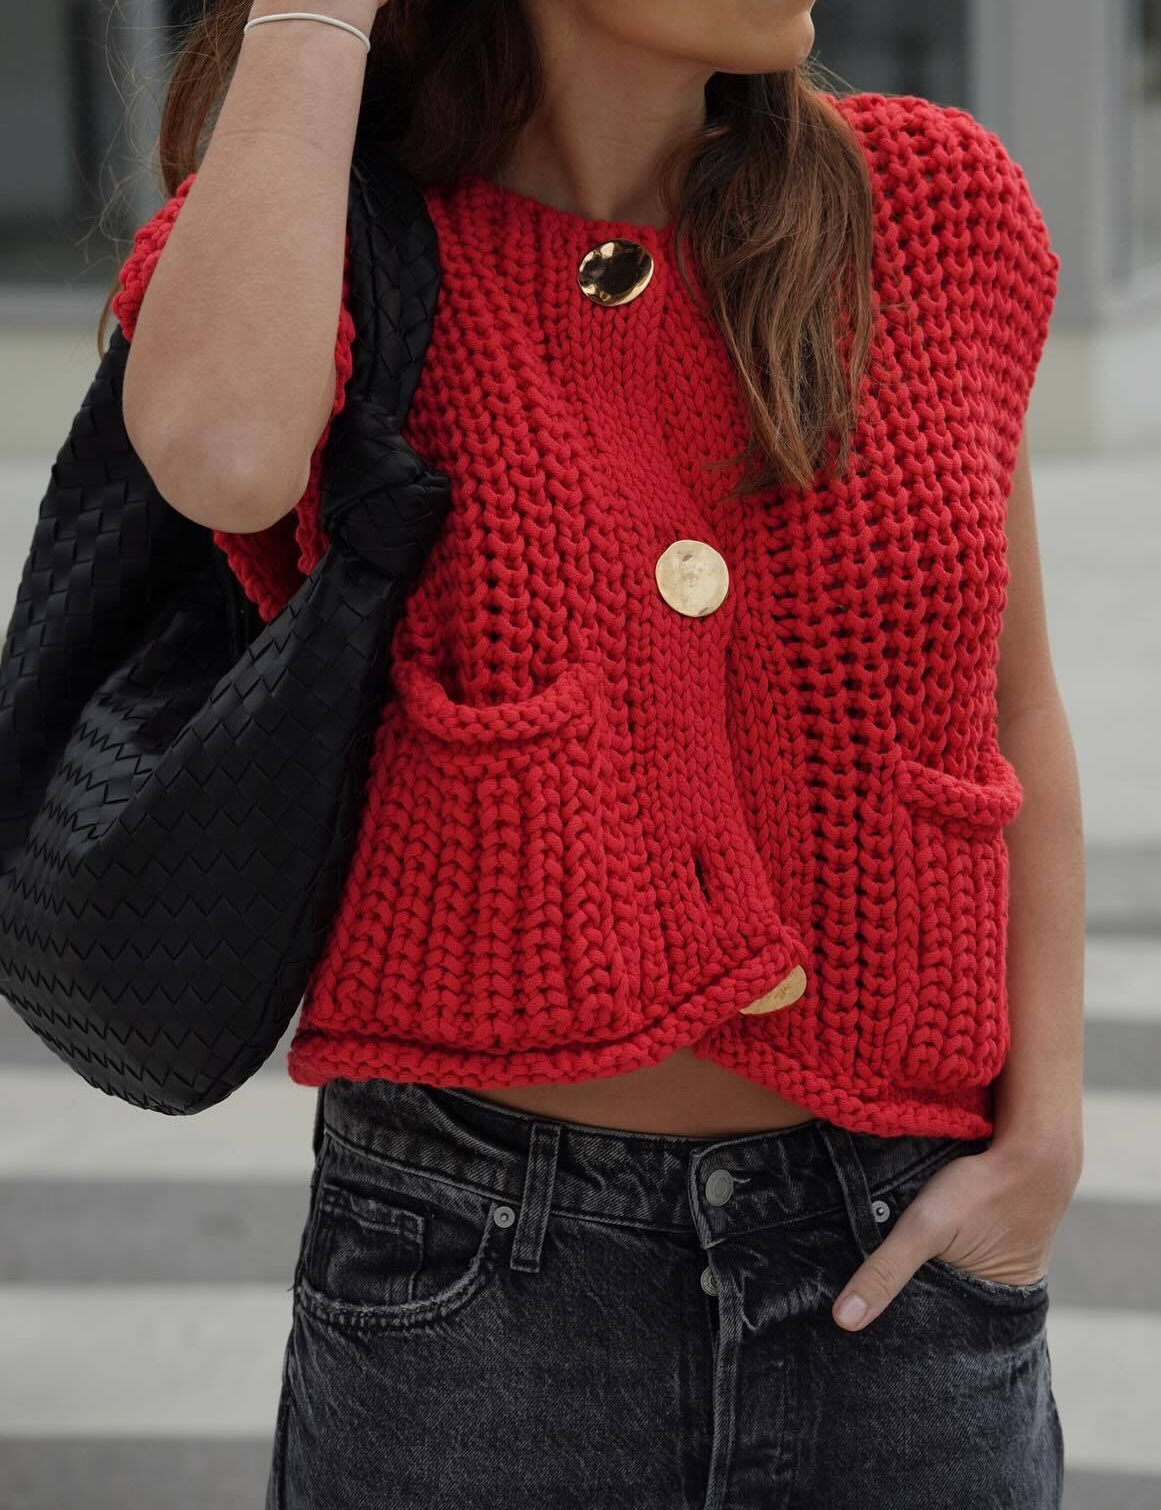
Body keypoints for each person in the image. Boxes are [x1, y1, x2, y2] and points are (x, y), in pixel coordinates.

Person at [105, 1, 1084, 1505]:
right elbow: (221, 452)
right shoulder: (350, 242)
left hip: (904, 1284)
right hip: (477, 1293)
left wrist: (1047, 1140)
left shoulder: (931, 208)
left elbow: (1015, 709)